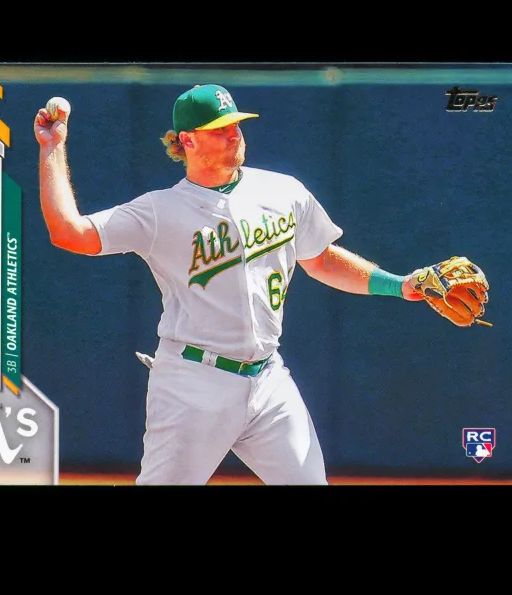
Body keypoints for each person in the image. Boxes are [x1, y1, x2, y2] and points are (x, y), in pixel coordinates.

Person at [34, 83, 424, 485]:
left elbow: (321, 259)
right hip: (193, 384)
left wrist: (400, 285)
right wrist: (52, 148)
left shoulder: (284, 191)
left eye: (236, 124)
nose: (234, 134)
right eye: (219, 129)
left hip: (269, 380)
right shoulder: (158, 211)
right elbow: (69, 232)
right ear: (188, 140)